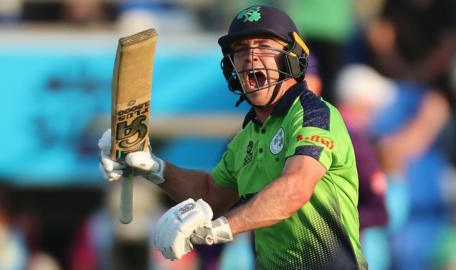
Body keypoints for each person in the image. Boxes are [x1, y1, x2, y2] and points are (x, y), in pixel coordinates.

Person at [99, 5, 367, 269]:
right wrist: (154, 167)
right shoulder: (246, 137)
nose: (250, 57)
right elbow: (210, 194)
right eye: (240, 50)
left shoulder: (313, 114)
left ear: (292, 57)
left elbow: (294, 189)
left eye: (263, 45)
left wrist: (218, 230)